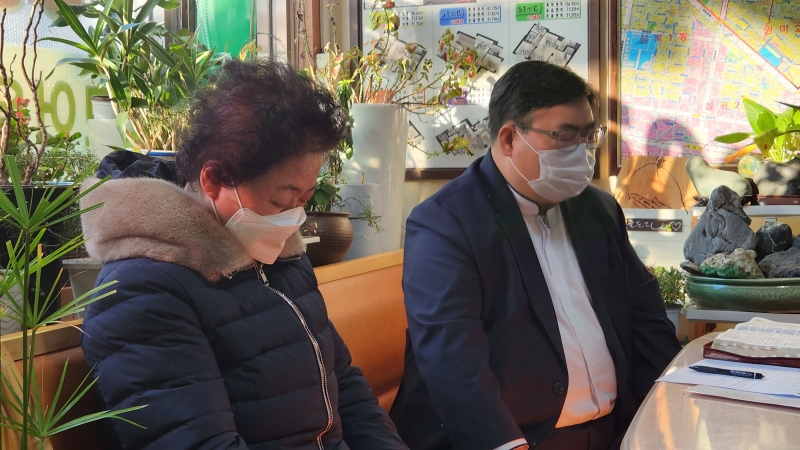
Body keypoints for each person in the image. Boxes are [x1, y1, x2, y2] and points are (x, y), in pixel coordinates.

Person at [79, 58, 409, 450]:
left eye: (304, 200)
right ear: (214, 178)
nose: (293, 218)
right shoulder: (141, 292)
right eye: (282, 200)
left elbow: (345, 386)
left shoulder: (283, 261)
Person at [389, 61, 682, 450]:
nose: (582, 151)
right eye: (565, 136)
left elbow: (646, 321)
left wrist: (668, 411)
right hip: (513, 439)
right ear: (510, 139)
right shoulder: (446, 223)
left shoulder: (598, 209)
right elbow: (452, 361)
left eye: (588, 135)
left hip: (615, 433)